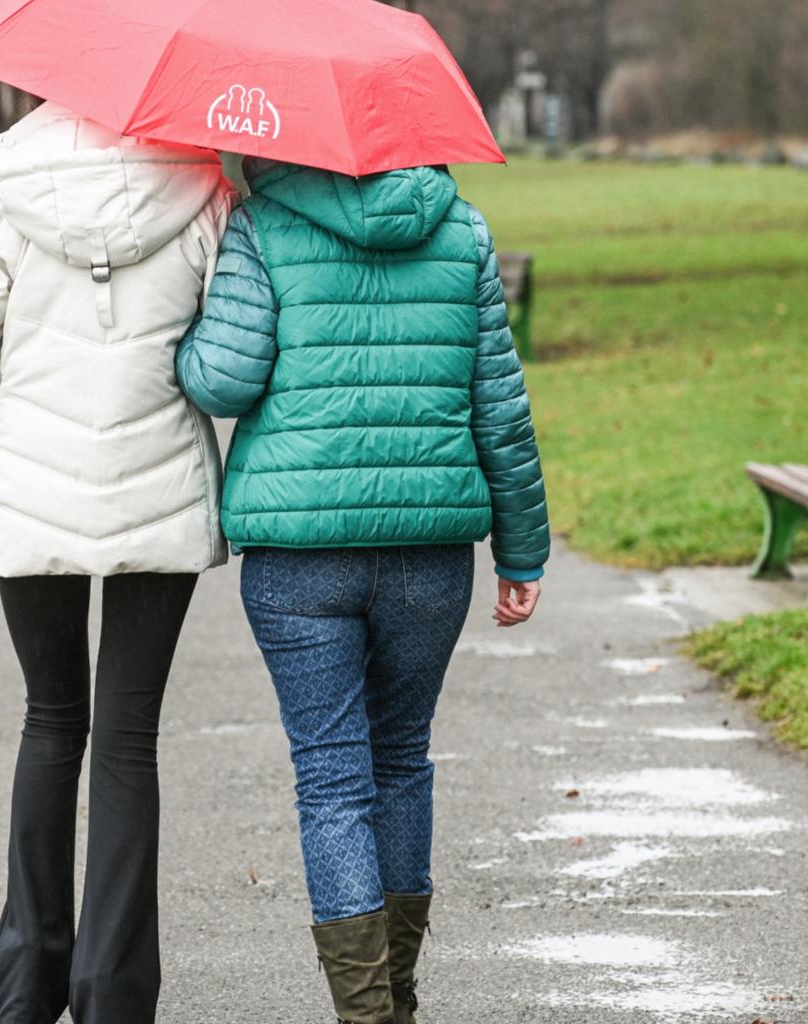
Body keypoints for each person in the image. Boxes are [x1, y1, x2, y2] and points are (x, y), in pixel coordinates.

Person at [175, 157, 549, 1024]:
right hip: (431, 549)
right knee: (402, 759)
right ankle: (401, 994)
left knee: (332, 778)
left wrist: (187, 345)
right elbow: (501, 408)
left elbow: (222, 379)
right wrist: (522, 551)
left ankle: (367, 1011)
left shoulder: (265, 225)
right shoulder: (461, 230)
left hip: (300, 553)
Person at [0, 101, 233, 1024]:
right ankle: (112, 996)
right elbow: (232, 356)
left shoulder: (4, 183)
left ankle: (28, 987)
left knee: (51, 722)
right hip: (160, 493)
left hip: (33, 495)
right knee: (128, 738)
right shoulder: (204, 183)